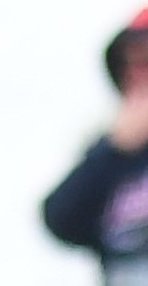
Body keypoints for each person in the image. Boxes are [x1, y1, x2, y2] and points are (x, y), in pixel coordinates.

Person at [43, 11, 148, 270]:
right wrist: (115, 150)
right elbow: (62, 220)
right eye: (130, 66)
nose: (139, 77)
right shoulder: (114, 154)